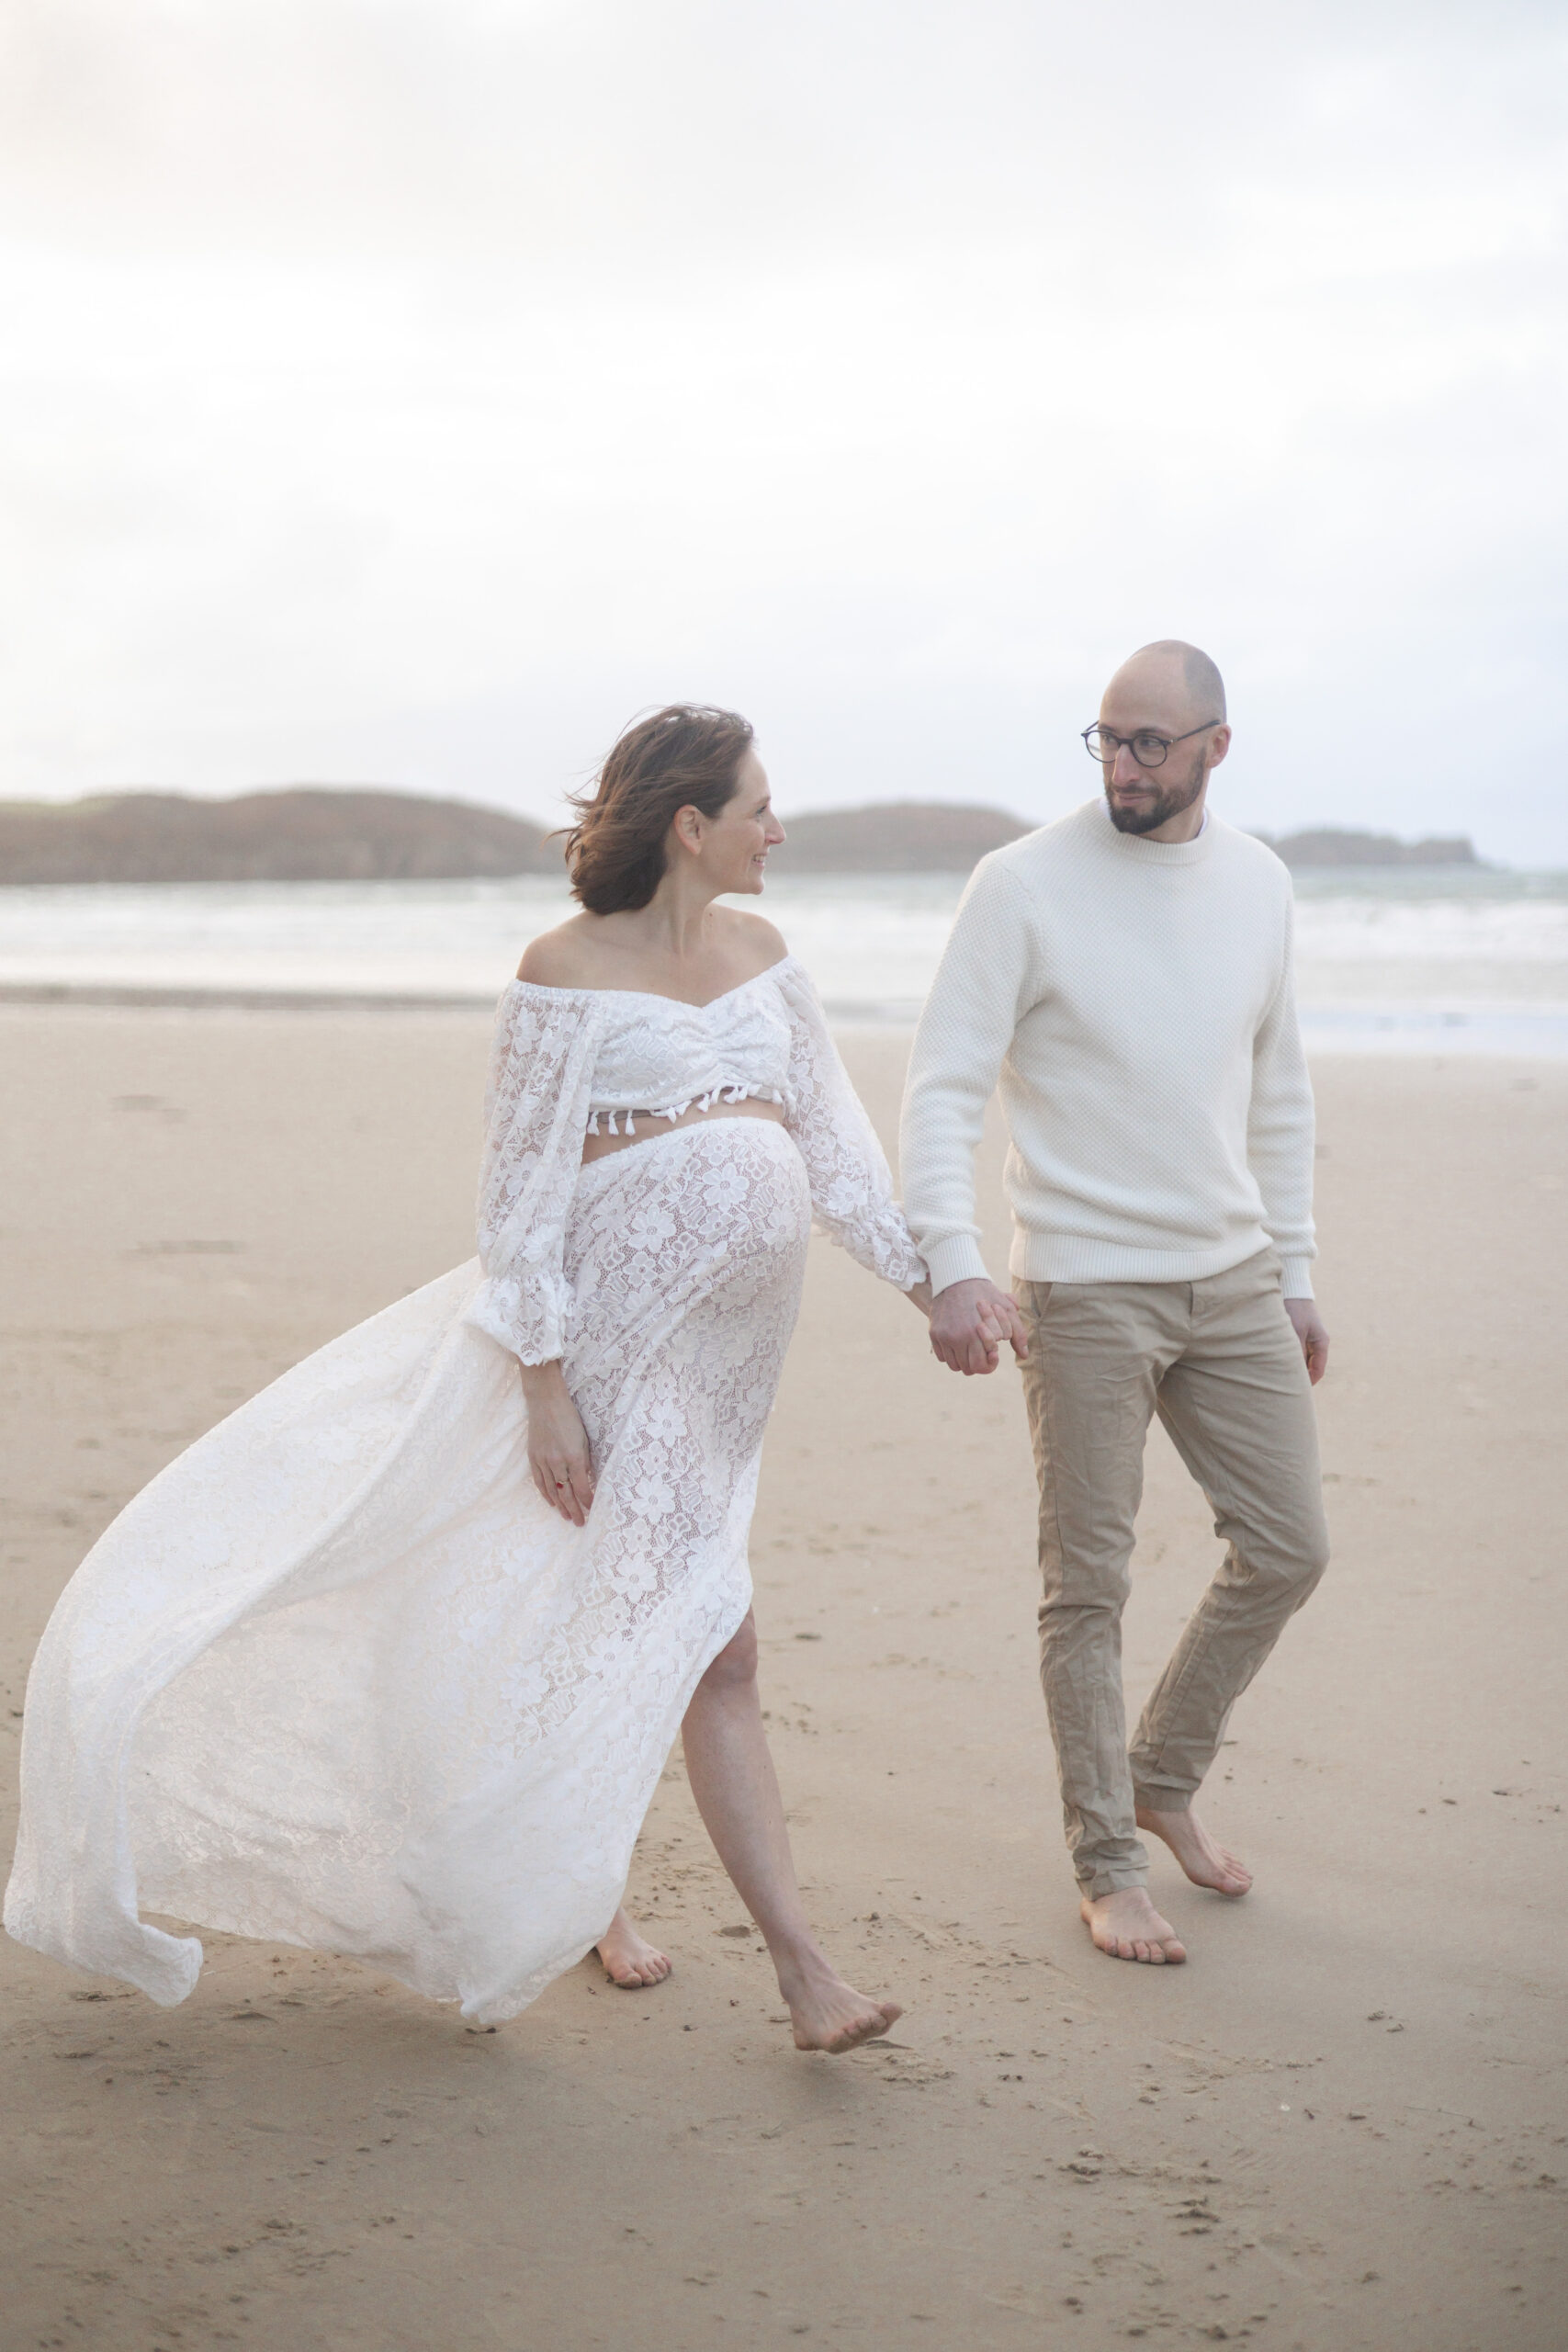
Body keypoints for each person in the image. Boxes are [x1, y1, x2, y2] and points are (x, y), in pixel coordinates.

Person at [6, 705, 930, 2052]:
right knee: (700, 1635)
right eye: (758, 807)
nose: (776, 830)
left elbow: (839, 1157)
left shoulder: (767, 954)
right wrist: (545, 1385)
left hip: (725, 1378)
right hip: (604, 1357)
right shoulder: (563, 966)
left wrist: (937, 1285)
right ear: (692, 824)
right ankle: (799, 1969)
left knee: (632, 1626)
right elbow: (522, 1198)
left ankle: (583, 1891)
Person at [898, 641, 1331, 1966]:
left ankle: (1162, 1773)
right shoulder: (1021, 885)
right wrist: (955, 1258)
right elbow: (943, 1085)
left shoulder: (1258, 882)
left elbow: (1279, 1089)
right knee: (1086, 1584)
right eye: (1106, 740)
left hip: (1234, 1273)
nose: (1126, 767)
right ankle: (1106, 1862)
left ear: (1216, 745)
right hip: (1082, 1287)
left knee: (1290, 1545)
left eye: (1151, 742)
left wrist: (1297, 1270)